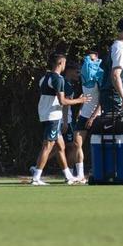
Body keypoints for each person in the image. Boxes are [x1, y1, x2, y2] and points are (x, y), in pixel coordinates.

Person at [30, 51, 87, 185]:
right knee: (48, 146)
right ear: (60, 63)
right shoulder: (58, 79)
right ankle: (36, 177)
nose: (65, 65)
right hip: (53, 116)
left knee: (61, 146)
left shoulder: (44, 78)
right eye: (64, 63)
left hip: (45, 115)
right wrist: (80, 100)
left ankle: (68, 176)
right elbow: (62, 101)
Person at [68, 51, 102, 185]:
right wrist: (81, 111)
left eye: (93, 59)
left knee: (98, 145)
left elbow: (101, 101)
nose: (89, 62)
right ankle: (80, 175)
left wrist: (92, 117)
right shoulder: (84, 76)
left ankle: (99, 172)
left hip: (97, 116)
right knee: (76, 143)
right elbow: (85, 96)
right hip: (84, 115)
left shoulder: (100, 76)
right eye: (88, 59)